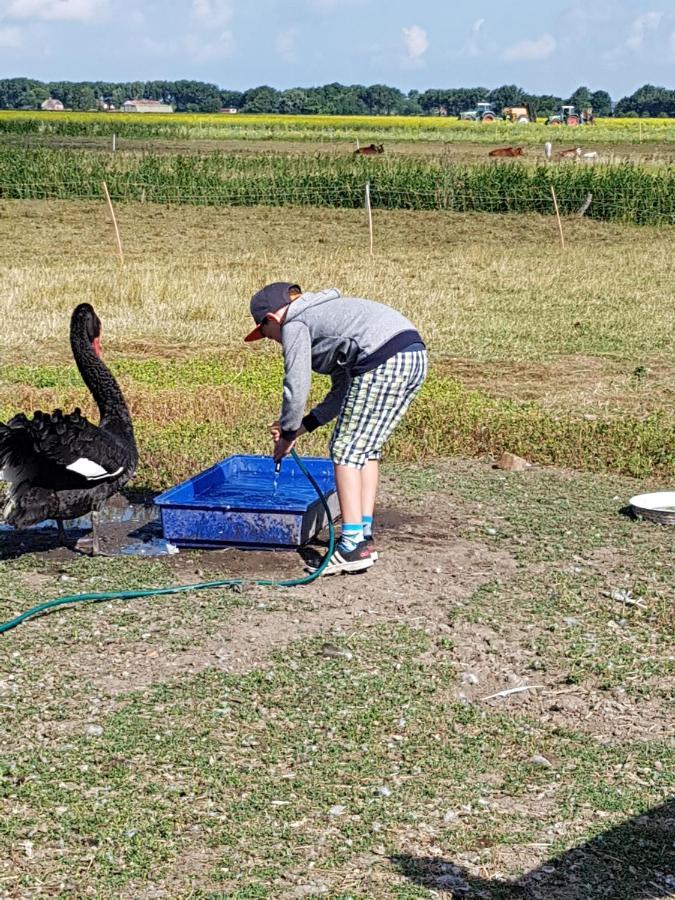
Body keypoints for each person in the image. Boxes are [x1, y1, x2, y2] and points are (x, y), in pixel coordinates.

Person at [244, 282, 427, 576]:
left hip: (383, 359)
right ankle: (362, 535)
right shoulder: (326, 317)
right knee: (365, 448)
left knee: (345, 450)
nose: (273, 341)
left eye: (266, 335)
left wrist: (288, 434)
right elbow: (341, 394)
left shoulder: (295, 324)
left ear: (271, 319)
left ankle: (352, 546)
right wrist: (301, 428)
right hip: (412, 355)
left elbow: (296, 385)